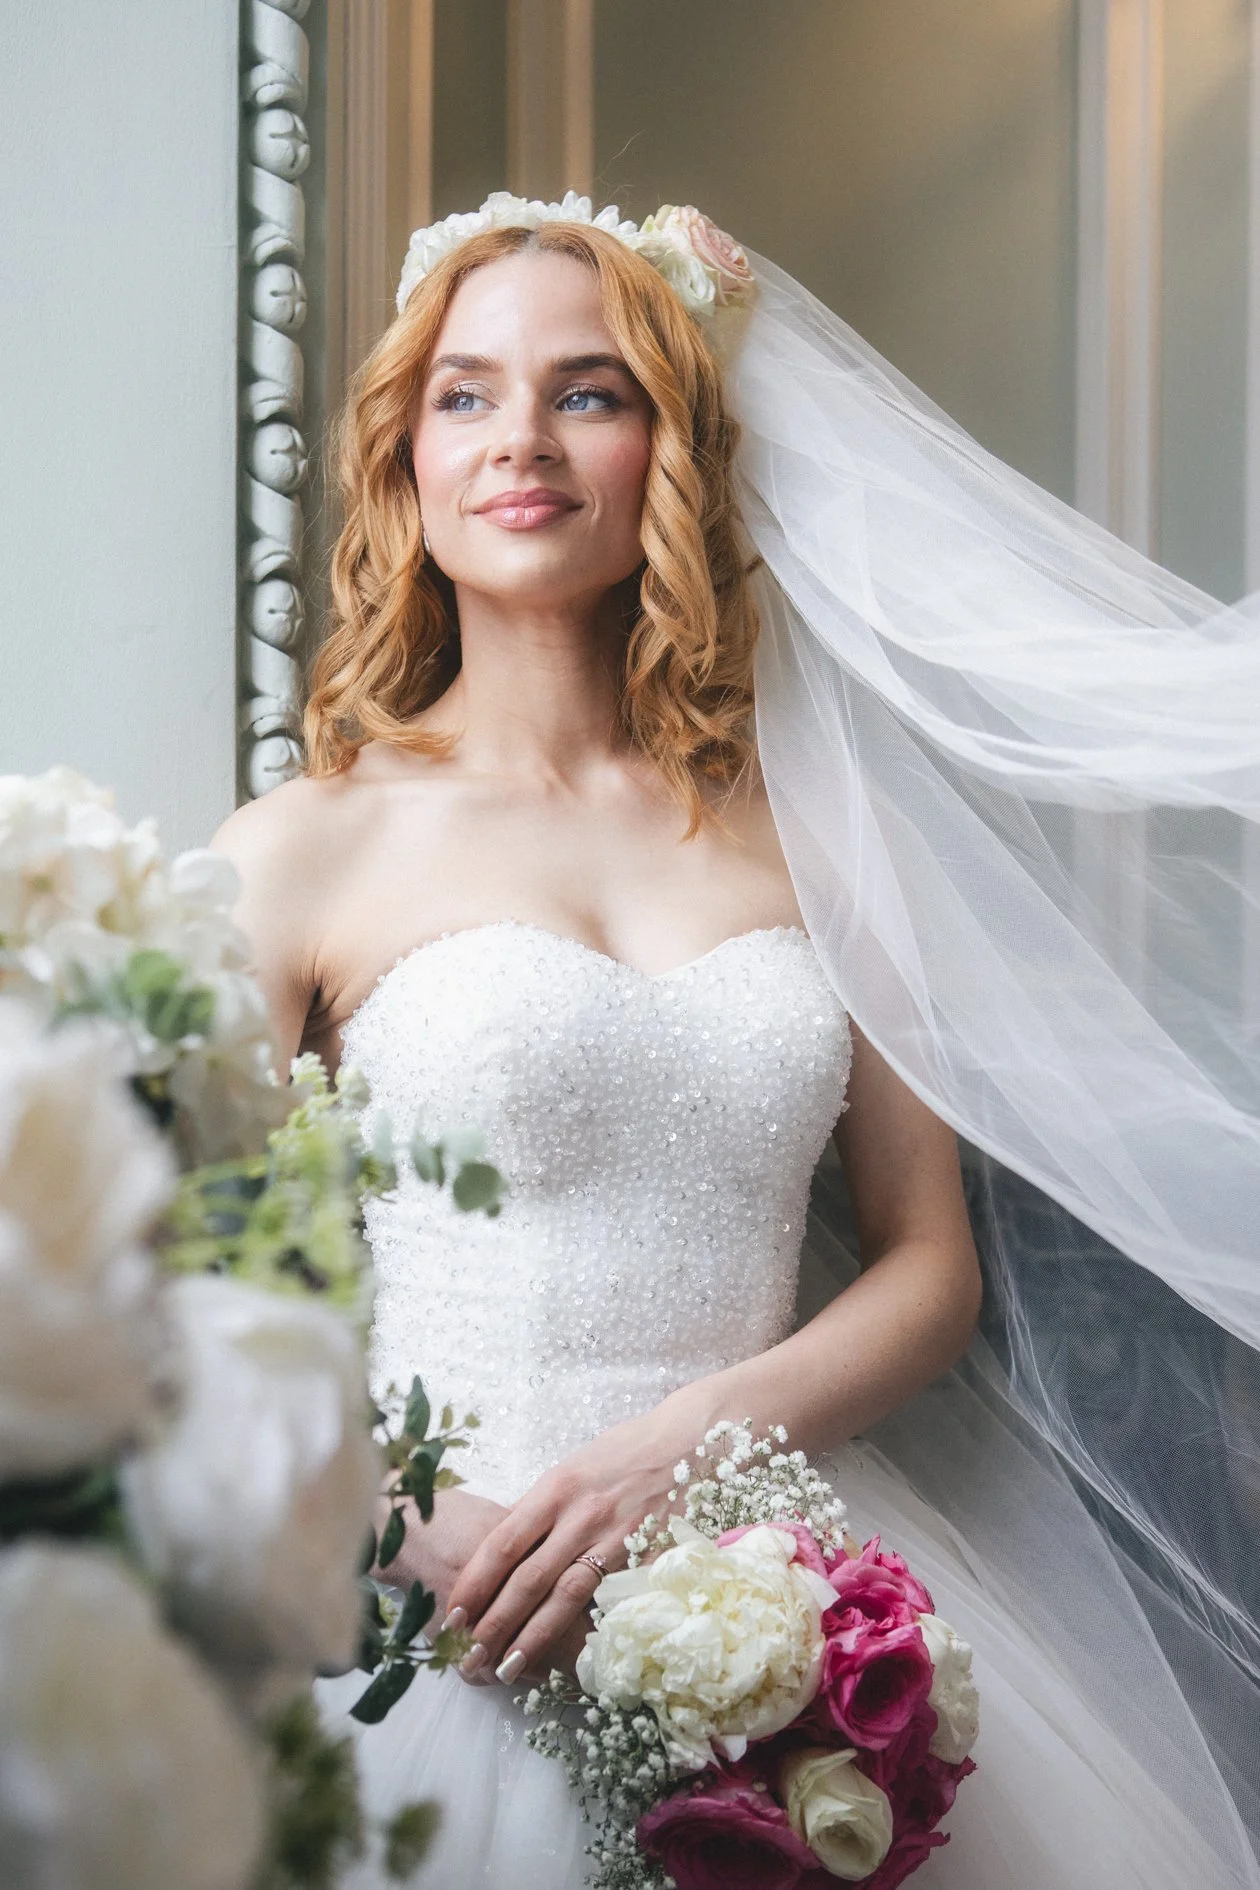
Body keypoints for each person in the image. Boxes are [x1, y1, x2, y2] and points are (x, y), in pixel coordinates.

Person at [213, 198, 1260, 1887]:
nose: (523, 444)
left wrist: (682, 1450)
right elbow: (167, 1308)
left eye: (590, 390)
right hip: (460, 1606)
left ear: (674, 450)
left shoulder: (829, 844)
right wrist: (441, 1536)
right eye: (466, 395)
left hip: (796, 1600)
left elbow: (929, 1267)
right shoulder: (299, 852)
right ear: (407, 451)